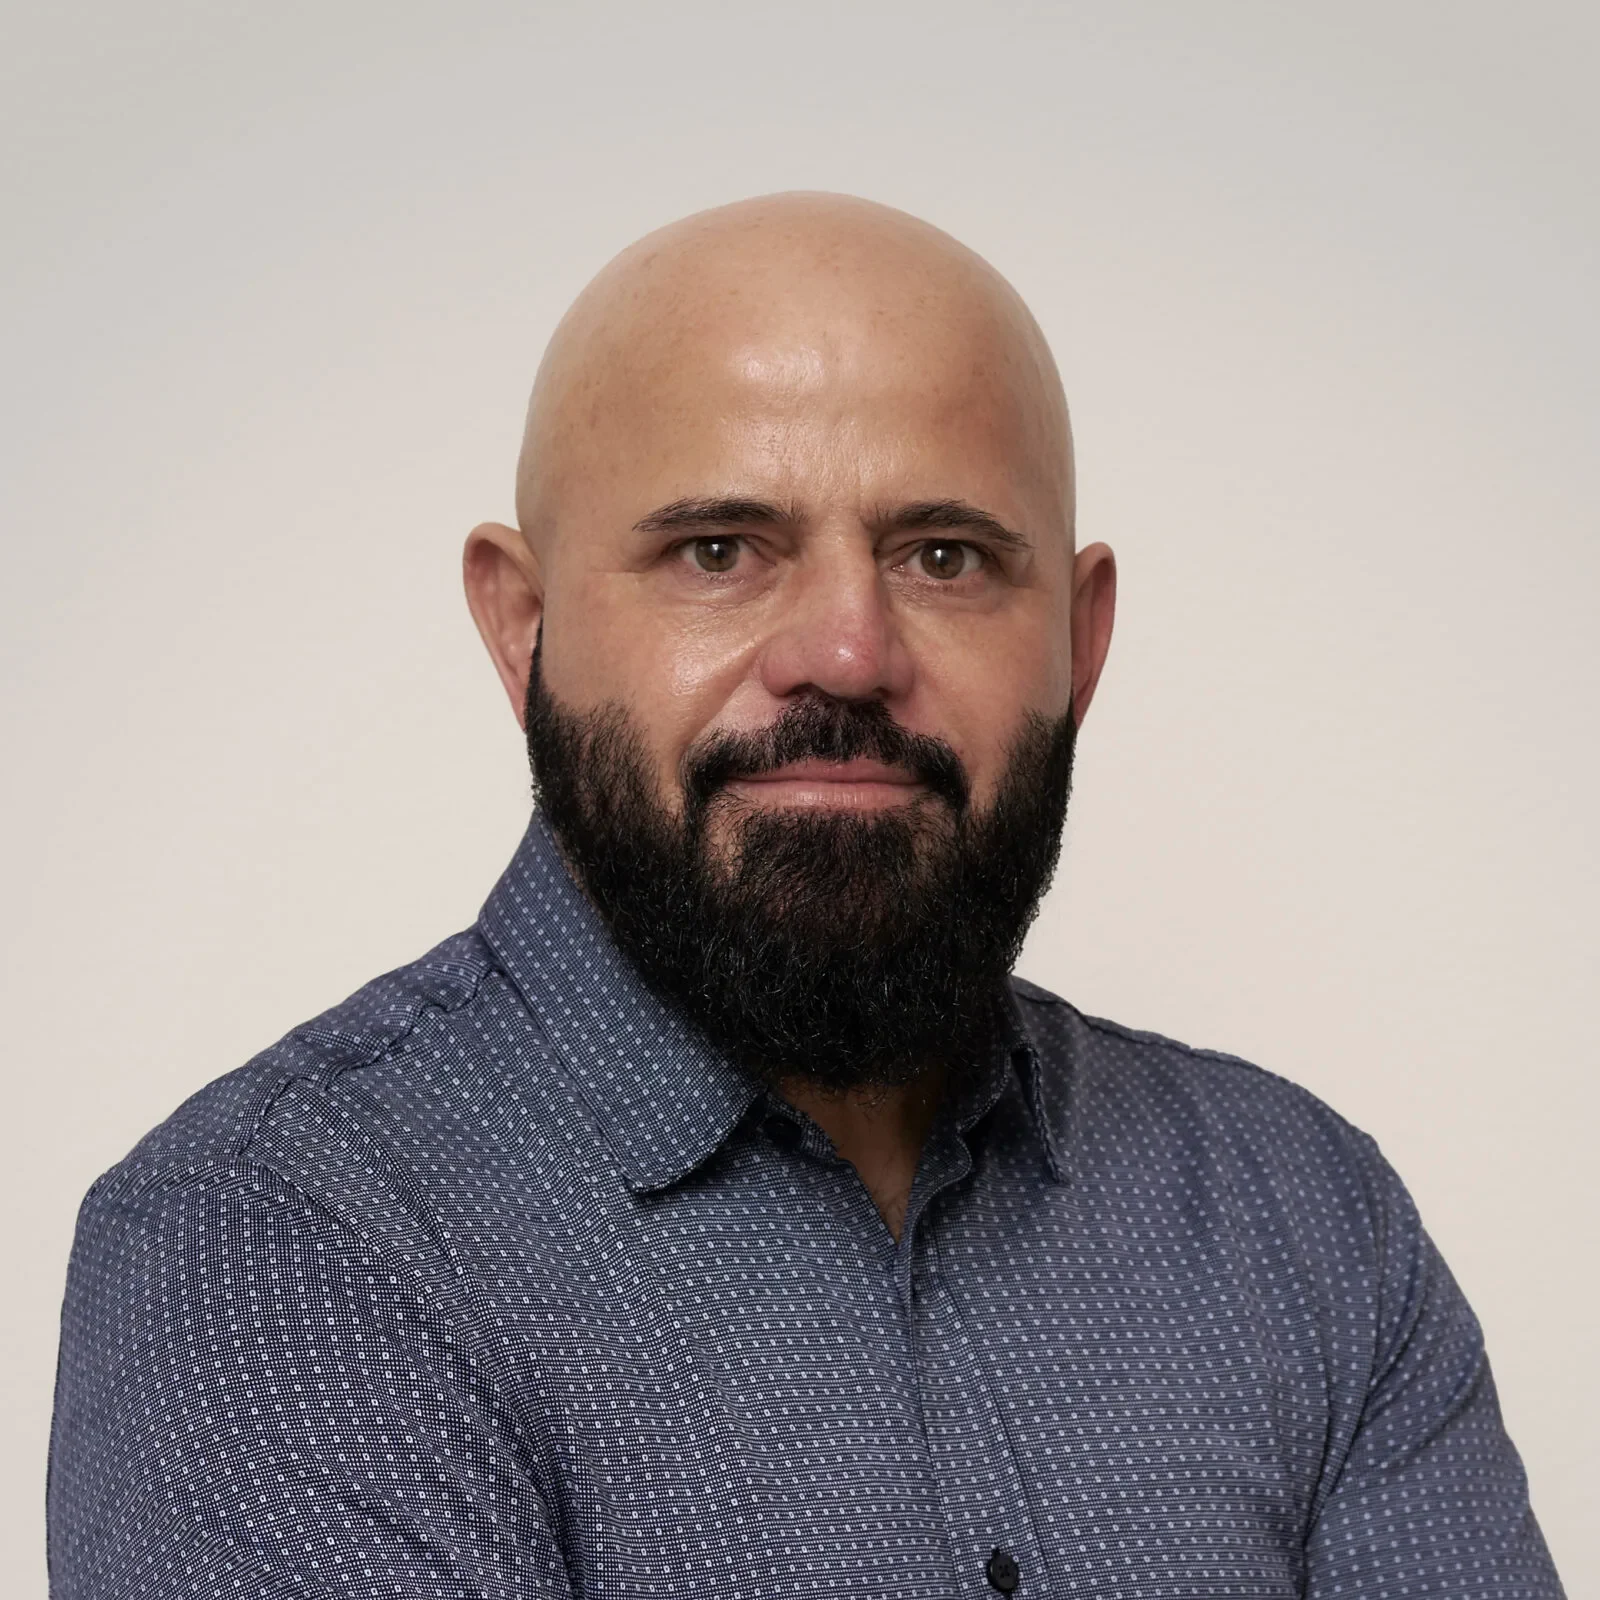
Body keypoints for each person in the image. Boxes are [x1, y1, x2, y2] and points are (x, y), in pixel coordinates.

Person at [47, 192, 1563, 1599]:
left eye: (946, 557)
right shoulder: (276, 1242)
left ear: (1080, 640)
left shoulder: (1307, 1216)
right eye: (718, 550)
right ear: (524, 627)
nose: (847, 653)